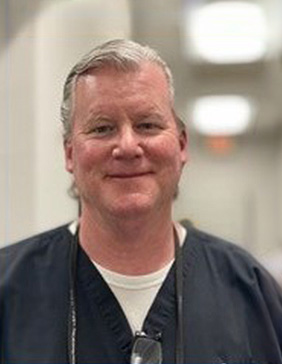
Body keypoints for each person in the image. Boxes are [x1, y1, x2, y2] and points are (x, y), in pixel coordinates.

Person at [0, 39, 281, 364]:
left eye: (147, 125)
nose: (128, 146)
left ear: (181, 144)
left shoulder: (248, 289)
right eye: (102, 128)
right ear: (69, 154)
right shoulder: (10, 290)